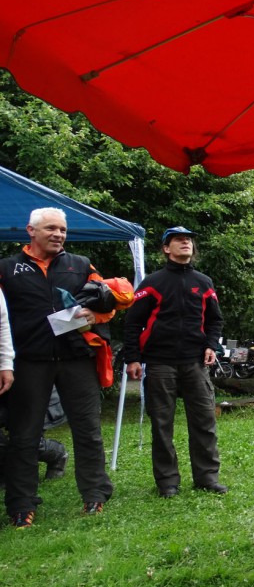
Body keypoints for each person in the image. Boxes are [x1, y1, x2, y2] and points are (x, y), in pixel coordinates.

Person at [0, 207, 119, 527]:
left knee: (89, 432)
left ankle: (95, 495)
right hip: (27, 361)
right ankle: (21, 506)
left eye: (63, 230)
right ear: (31, 231)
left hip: (76, 358)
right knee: (24, 436)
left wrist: (97, 317)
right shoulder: (7, 269)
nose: (58, 235)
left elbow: (109, 302)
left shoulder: (80, 264)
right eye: (51, 228)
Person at [124, 227, 227, 497]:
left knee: (204, 421)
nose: (185, 242)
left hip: (195, 362)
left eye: (189, 239)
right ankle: (168, 482)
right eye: (178, 240)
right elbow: (133, 321)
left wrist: (210, 345)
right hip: (159, 363)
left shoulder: (203, 282)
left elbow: (215, 320)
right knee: (161, 424)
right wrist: (133, 357)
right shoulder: (151, 283)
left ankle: (206, 477)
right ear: (166, 249)